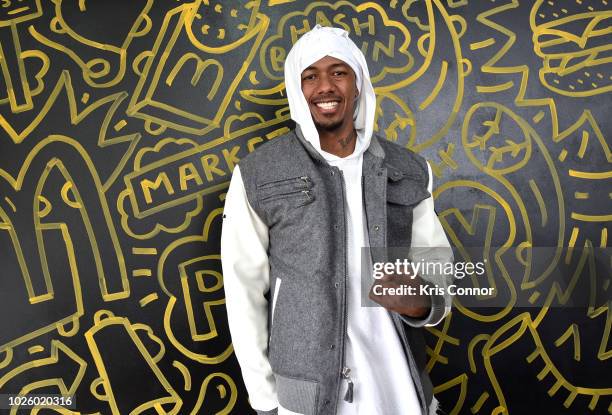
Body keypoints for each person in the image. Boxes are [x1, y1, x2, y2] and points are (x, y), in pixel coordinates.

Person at [221, 25, 454, 415]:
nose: (325, 86)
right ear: (297, 89)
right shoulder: (257, 173)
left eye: (339, 72)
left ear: (359, 83)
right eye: (310, 75)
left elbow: (439, 266)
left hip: (399, 386)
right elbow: (243, 292)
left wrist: (425, 301)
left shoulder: (409, 169)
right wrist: (266, 401)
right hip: (307, 396)